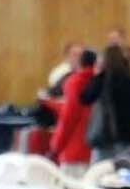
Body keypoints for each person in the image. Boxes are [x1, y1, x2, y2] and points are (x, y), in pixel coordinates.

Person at [80, 43, 130, 164]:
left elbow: (85, 98)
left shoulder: (102, 79)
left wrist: (97, 75)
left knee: (100, 177)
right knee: (127, 179)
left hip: (105, 138)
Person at [41, 48, 97, 176]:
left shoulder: (75, 82)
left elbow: (69, 116)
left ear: (80, 63)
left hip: (74, 148)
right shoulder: (101, 82)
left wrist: (55, 147)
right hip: (96, 149)